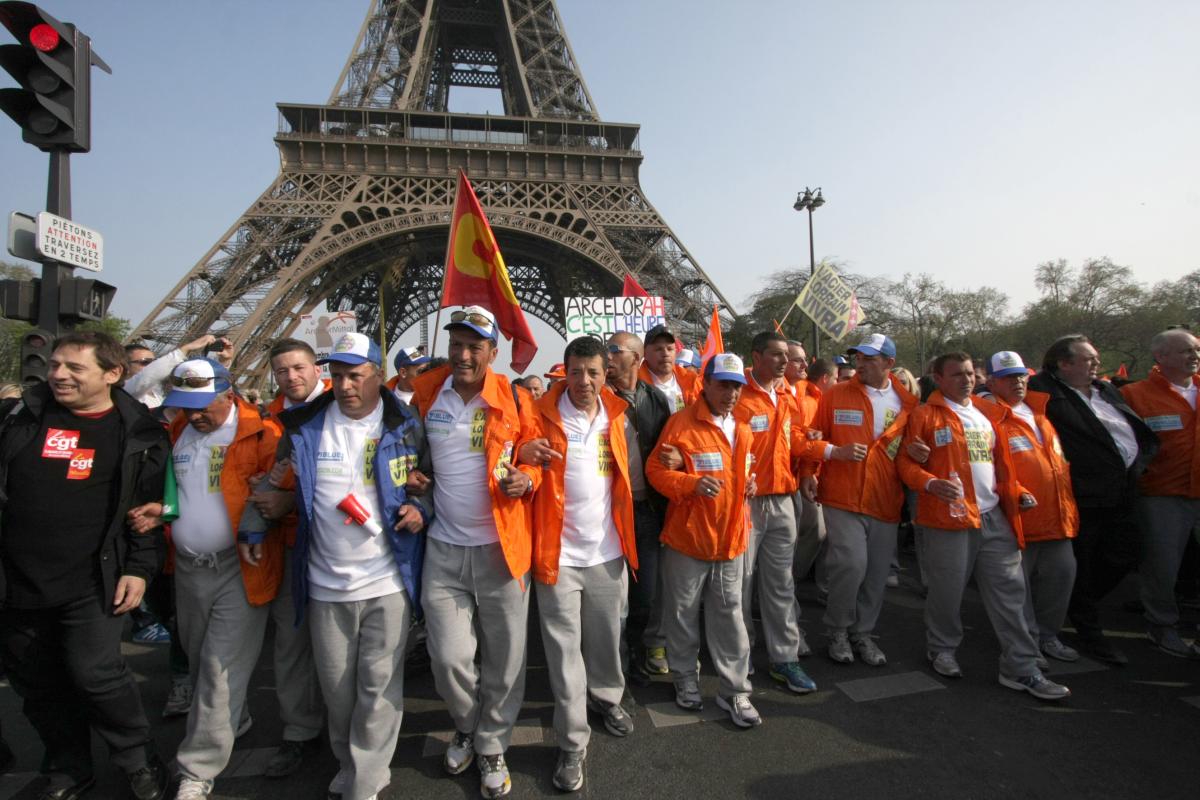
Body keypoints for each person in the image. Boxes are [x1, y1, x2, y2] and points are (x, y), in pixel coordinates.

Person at [0, 331, 170, 800]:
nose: (58, 375)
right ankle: (68, 765)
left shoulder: (140, 432)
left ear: (112, 374)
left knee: (97, 674)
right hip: (17, 577)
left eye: (74, 368)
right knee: (38, 682)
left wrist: (139, 568)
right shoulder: (20, 417)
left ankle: (137, 757)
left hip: (93, 578)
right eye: (55, 365)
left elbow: (149, 510)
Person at [278, 331, 432, 800]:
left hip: (386, 578)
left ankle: (367, 775)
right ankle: (348, 760)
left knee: (380, 686)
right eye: (338, 375)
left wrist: (421, 508)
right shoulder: (303, 426)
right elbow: (273, 481)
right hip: (325, 584)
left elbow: (432, 485)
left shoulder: (406, 424)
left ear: (378, 377)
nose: (345, 385)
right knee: (339, 691)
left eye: (356, 376)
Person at [128, 359, 282, 800]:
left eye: (200, 406)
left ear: (226, 394)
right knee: (199, 662)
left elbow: (285, 492)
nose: (193, 415)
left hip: (240, 565)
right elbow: (182, 493)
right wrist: (163, 511)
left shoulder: (263, 434)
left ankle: (197, 769)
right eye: (185, 406)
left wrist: (267, 506)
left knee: (218, 668)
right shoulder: (178, 433)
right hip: (189, 568)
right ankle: (236, 718)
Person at [409, 306, 540, 799]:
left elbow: (537, 451)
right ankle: (467, 723)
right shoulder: (426, 392)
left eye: (474, 346)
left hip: (502, 548)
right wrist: (412, 479)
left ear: (493, 351)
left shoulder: (512, 397)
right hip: (443, 548)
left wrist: (529, 478)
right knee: (448, 657)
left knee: (506, 659)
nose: (463, 355)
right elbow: (404, 452)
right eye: (457, 344)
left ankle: (491, 742)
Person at [898, 352, 1071, 701]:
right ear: (938, 377)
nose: (966, 380)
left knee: (1011, 592)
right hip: (949, 516)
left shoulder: (988, 413)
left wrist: (1017, 492)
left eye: (969, 374)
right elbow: (905, 464)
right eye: (957, 374)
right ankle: (942, 648)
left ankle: (1021, 668)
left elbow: (999, 464)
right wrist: (930, 483)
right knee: (947, 591)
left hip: (993, 515)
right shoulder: (924, 415)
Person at [529, 336, 638, 791]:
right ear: (565, 372)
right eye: (576, 372)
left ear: (605, 372)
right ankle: (573, 742)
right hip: (556, 555)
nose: (584, 381)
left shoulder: (619, 416)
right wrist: (523, 460)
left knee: (606, 638)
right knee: (563, 653)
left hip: (608, 552)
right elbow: (516, 463)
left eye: (593, 372)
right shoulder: (538, 415)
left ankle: (607, 697)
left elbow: (629, 476)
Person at [646, 354, 761, 728]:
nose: (731, 393)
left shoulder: (743, 428)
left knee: (730, 617)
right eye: (724, 384)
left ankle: (734, 690)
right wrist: (690, 484)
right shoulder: (680, 425)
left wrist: (750, 484)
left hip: (730, 539)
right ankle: (685, 678)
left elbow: (744, 472)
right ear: (705, 384)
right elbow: (655, 472)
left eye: (736, 386)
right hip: (688, 538)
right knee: (681, 615)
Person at [1028, 336, 1156, 664]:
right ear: (1063, 364)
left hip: (1123, 489)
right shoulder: (1045, 393)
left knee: (1127, 552)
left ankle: (1074, 602)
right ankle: (1087, 627)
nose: (1096, 365)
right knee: (1082, 562)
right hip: (1084, 493)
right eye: (1088, 360)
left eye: (1096, 359)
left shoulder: (1106, 391)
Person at [802, 334, 916, 667]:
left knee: (876, 574)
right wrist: (810, 472)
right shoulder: (836, 395)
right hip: (843, 495)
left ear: (889, 363)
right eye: (858, 358)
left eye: (868, 358)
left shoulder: (907, 403)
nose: (860, 364)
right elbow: (815, 434)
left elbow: (910, 451)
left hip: (885, 499)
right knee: (851, 565)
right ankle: (837, 630)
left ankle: (862, 633)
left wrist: (918, 453)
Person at [250, 338, 327, 777]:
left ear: (316, 368)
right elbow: (266, 482)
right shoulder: (270, 421)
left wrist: (287, 503)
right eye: (282, 371)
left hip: (341, 545)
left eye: (298, 368)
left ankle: (355, 731)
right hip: (294, 545)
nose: (291, 377)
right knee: (293, 642)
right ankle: (299, 732)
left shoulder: (349, 406)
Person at [980, 351, 1080, 664]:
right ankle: (1027, 646)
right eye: (1009, 377)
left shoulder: (1040, 412)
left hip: (1056, 517)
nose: (1018, 382)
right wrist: (1016, 493)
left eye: (1021, 375)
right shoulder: (987, 416)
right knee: (1016, 590)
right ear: (993, 381)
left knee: (1061, 577)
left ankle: (1048, 636)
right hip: (1017, 520)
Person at [733, 332, 818, 693]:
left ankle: (785, 657)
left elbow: (794, 439)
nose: (785, 361)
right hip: (748, 501)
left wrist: (821, 456)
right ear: (756, 356)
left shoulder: (787, 394)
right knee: (743, 581)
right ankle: (743, 651)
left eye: (787, 354)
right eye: (776, 354)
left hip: (783, 498)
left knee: (780, 583)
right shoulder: (737, 395)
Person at [1120, 329, 1200, 657]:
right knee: (1162, 566)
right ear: (1161, 357)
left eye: (1196, 349)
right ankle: (1161, 625)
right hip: (1162, 493)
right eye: (1185, 351)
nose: (1193, 356)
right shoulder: (1135, 395)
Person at [600, 332, 672, 676]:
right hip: (609, 510)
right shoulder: (595, 398)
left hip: (646, 509)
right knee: (611, 597)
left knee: (646, 595)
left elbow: (669, 446)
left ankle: (639, 646)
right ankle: (618, 661)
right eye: (606, 349)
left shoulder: (655, 399)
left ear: (637, 359)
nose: (608, 356)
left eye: (615, 350)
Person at [122, 334, 232, 409]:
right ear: (124, 366)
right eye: (145, 362)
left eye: (154, 361)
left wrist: (224, 363)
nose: (151, 365)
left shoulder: (161, 393)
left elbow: (205, 386)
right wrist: (185, 349)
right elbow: (145, 378)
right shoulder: (121, 392)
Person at [638, 324, 699, 415]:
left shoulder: (692, 380)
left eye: (670, 349)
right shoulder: (635, 384)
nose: (665, 354)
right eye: (659, 349)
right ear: (645, 353)